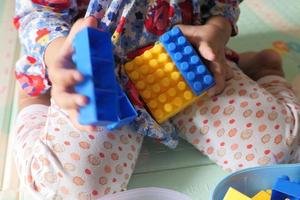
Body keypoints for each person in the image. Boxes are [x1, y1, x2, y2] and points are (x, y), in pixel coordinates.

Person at [13, 0, 300, 199]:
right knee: (67, 190)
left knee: (278, 153)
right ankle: (34, 101)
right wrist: (55, 56)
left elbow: (222, 5)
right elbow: (37, 12)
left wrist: (217, 29)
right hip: (94, 75)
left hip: (186, 58)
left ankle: (264, 68)